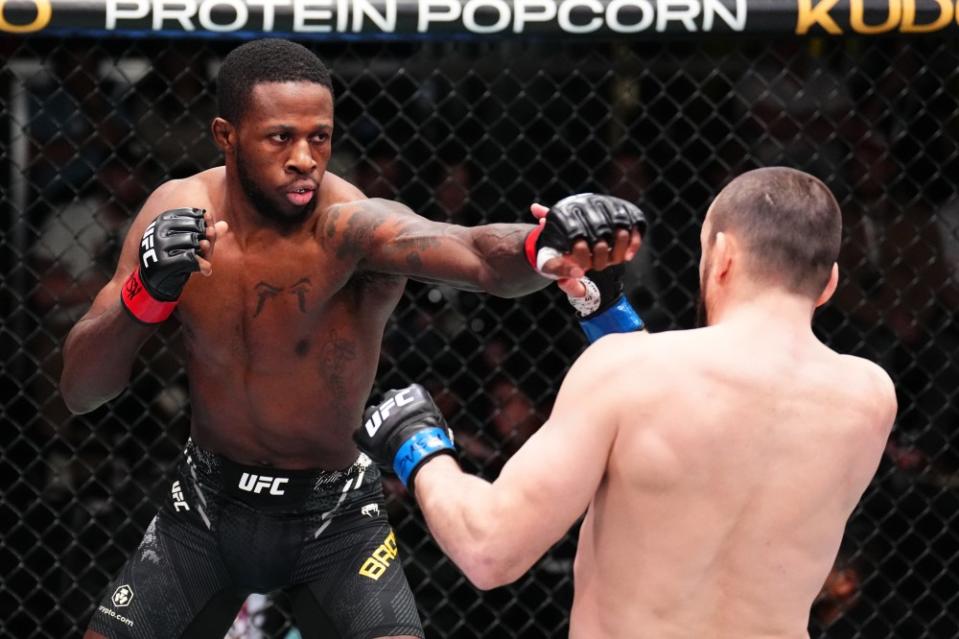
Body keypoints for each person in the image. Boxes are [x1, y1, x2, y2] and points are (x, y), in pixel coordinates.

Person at [59, 39, 645, 639]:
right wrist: (146, 295)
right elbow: (81, 390)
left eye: (320, 137)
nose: (305, 159)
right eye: (280, 137)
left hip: (334, 514)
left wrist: (543, 242)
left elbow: (474, 254)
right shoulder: (176, 212)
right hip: (208, 503)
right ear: (226, 136)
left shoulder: (352, 227)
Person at [355, 167, 898, 639]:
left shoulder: (626, 374)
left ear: (723, 255)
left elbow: (489, 548)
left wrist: (417, 444)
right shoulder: (869, 398)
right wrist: (607, 313)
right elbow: (725, 414)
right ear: (827, 285)